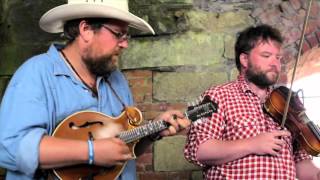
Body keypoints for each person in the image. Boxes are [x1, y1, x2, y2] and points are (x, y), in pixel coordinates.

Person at [0, 0, 190, 179]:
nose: (125, 43)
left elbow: (122, 147)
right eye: (118, 34)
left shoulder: (117, 80)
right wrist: (91, 152)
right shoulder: (35, 74)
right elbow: (11, 148)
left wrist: (152, 132)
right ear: (86, 30)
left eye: (127, 35)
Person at [184, 24, 320, 179]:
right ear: (244, 59)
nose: (275, 64)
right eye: (266, 56)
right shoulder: (215, 95)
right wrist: (253, 144)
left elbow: (302, 166)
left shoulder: (287, 105)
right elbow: (198, 149)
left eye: (278, 58)